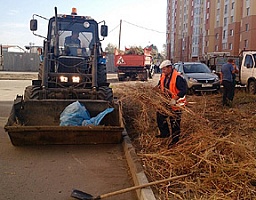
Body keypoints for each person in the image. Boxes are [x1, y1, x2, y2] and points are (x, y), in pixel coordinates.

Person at [155, 60, 187, 147]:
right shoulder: (163, 76)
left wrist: (174, 99)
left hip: (176, 104)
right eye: (162, 70)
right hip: (166, 101)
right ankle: (165, 133)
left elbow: (184, 90)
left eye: (164, 69)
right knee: (160, 117)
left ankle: (175, 141)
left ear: (170, 68)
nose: (163, 71)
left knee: (174, 123)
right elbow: (160, 85)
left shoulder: (178, 77)